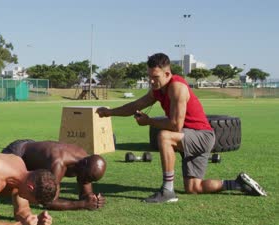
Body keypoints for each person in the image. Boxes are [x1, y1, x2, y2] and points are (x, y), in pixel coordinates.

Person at [96, 53, 267, 203]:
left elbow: (175, 126)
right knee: (193, 187)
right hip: (189, 137)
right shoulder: (157, 89)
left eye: (155, 77)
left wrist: (149, 121)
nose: (152, 81)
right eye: (150, 77)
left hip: (202, 136)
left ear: (167, 73)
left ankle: (167, 190)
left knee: (164, 136)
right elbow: (135, 105)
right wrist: (109, 112)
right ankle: (237, 184)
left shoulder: (177, 88)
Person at [1, 139, 106, 210]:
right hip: (18, 153)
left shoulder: (84, 160)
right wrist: (82, 204)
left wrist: (92, 198)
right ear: (83, 166)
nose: (87, 181)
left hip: (31, 148)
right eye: (87, 177)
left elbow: (85, 191)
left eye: (90, 179)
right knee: (4, 187)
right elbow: (48, 201)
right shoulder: (58, 164)